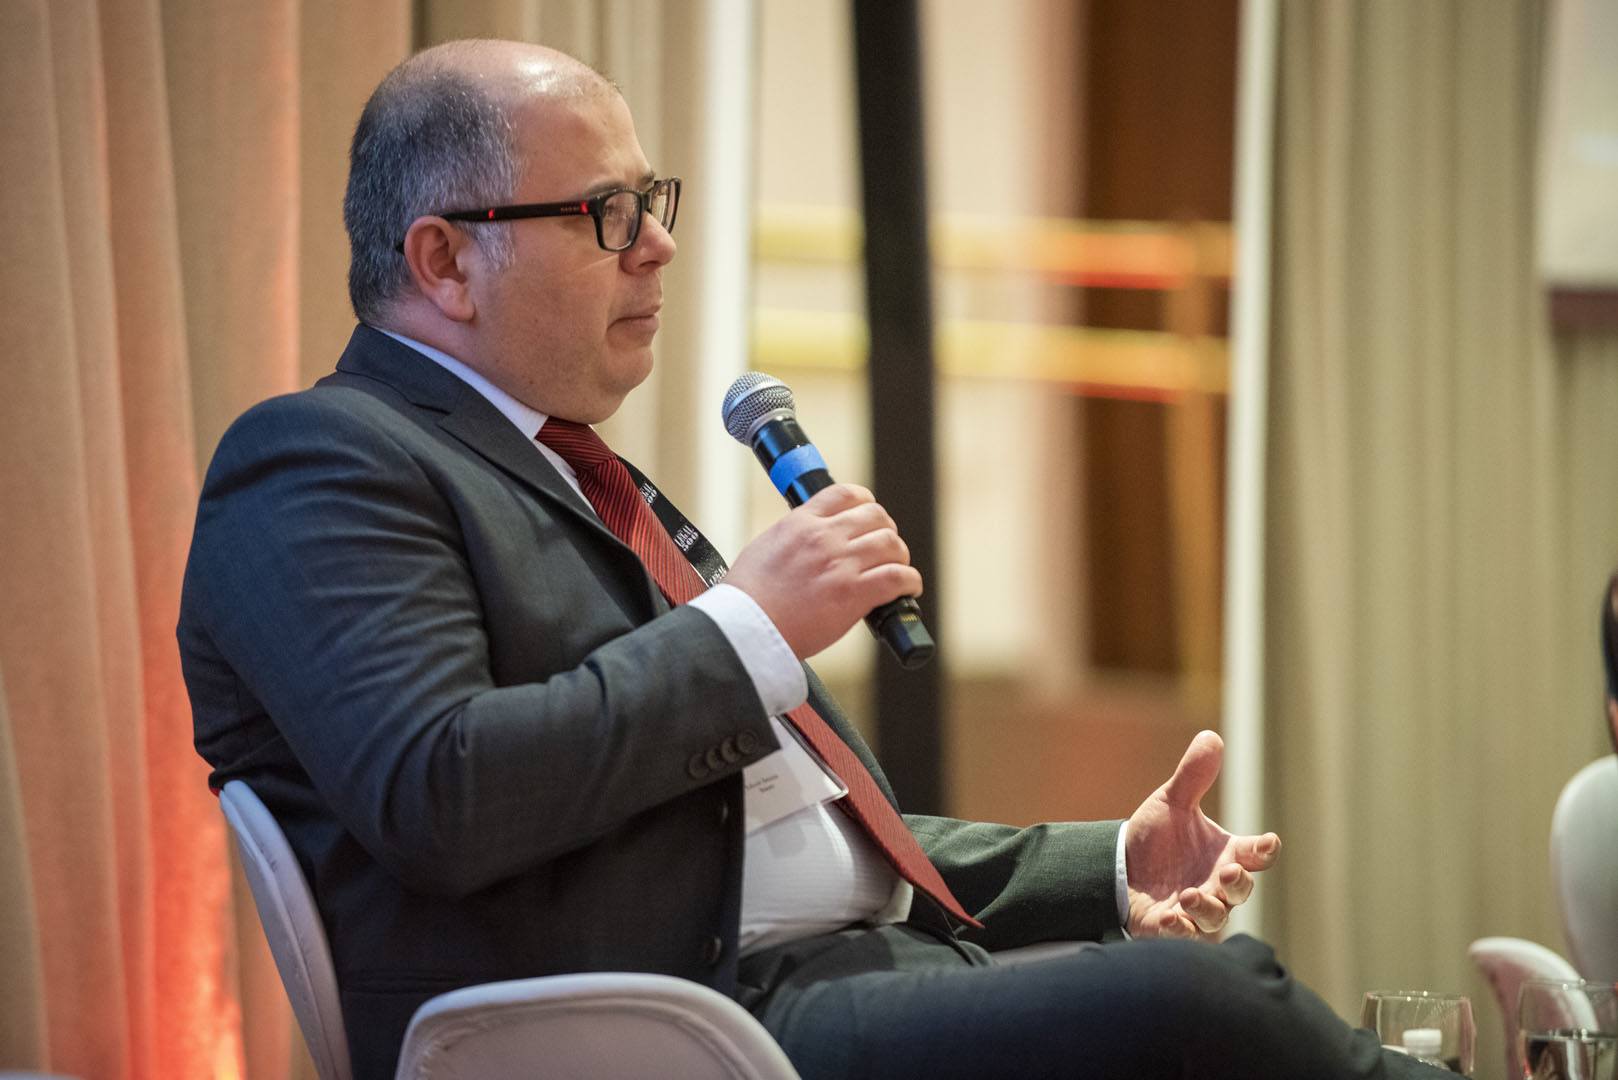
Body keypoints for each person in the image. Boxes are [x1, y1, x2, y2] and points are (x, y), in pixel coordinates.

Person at [178, 39, 1444, 1079]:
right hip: (654, 1026)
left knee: (1184, 986)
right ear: (445, 260)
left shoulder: (569, 467)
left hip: (813, 981)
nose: (655, 244)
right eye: (606, 213)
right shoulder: (319, 461)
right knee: (1202, 1006)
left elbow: (790, 826)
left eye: (652, 203)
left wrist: (1108, 867)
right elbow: (438, 792)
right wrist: (748, 626)